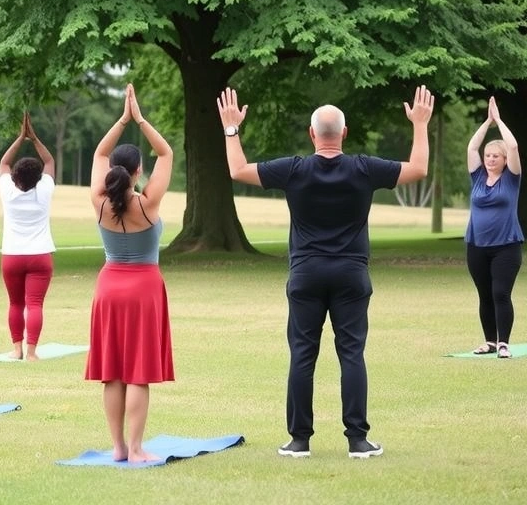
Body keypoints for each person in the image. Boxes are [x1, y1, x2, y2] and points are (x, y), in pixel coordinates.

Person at [217, 85, 434, 459]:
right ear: (344, 134)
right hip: (351, 274)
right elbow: (418, 169)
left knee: (302, 354)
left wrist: (231, 128)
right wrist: (419, 124)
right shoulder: (364, 168)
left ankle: (299, 440)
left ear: (311, 134)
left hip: (306, 274)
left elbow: (237, 170)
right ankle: (358, 440)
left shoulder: (294, 169)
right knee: (352, 354)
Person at [85, 83, 175, 463]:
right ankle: (136, 448)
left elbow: (100, 152)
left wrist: (122, 120)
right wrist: (139, 119)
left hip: (109, 287)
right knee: (138, 371)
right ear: (138, 171)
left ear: (112, 172)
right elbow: (166, 152)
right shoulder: (148, 203)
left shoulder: (99, 201)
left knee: (113, 372)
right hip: (143, 289)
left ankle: (119, 447)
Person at [464, 96, 523, 359]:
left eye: (495, 156)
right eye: (487, 155)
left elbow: (513, 145)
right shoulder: (477, 177)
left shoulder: (511, 178)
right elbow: (471, 148)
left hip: (506, 247)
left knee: (500, 293)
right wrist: (486, 122)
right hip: (476, 245)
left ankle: (503, 344)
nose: (490, 159)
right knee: (485, 295)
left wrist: (498, 120)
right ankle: (489, 341)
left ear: (504, 159)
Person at [0, 111, 57, 360]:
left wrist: (20, 137)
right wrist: (34, 138)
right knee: (35, 304)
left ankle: (16, 350)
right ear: (38, 178)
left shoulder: (8, 192)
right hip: (40, 255)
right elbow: (49, 161)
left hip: (12, 256)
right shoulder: (44, 190)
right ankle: (32, 353)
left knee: (15, 303)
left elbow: (4, 163)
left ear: (15, 178)